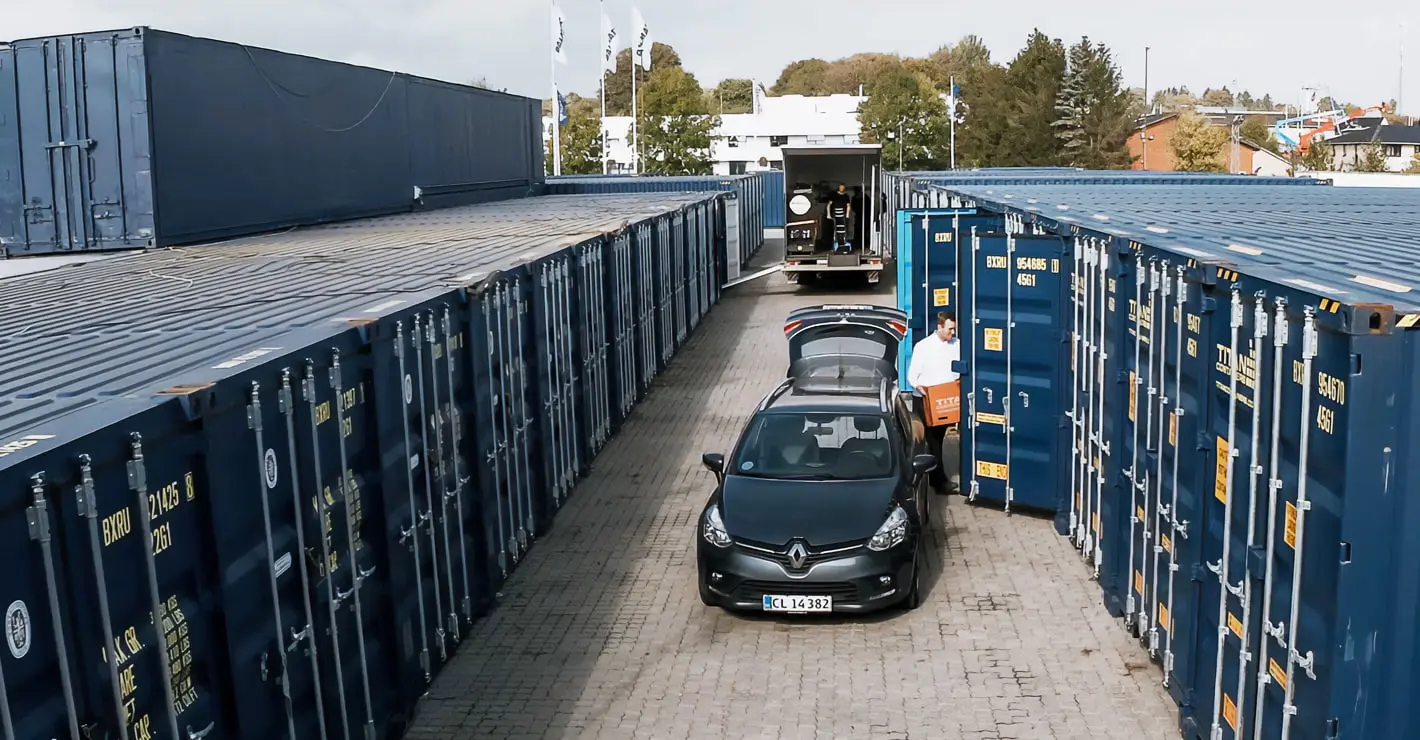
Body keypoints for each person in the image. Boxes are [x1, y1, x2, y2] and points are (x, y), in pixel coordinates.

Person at [907, 311, 962, 492]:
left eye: (954, 330)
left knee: (939, 440)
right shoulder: (924, 347)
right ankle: (938, 482)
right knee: (932, 442)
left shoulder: (957, 345)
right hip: (926, 401)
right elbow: (912, 375)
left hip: (946, 400)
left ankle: (933, 478)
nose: (952, 333)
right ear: (939, 327)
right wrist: (920, 388)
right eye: (949, 329)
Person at [828, 184, 853, 252]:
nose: (842, 189)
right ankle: (835, 244)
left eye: (843, 188)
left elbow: (848, 205)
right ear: (838, 188)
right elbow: (829, 205)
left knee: (844, 229)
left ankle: (844, 243)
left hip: (843, 215)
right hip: (835, 215)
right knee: (835, 230)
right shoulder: (834, 195)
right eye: (841, 187)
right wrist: (829, 215)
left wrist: (847, 214)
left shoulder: (846, 196)